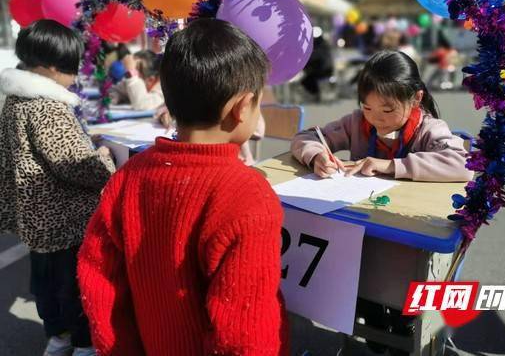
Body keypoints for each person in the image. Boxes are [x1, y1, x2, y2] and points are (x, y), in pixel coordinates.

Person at [78, 18, 288, 356]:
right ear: (242, 107)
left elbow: (99, 281)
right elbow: (245, 333)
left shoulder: (129, 176)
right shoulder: (250, 197)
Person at [0, 20, 115, 356]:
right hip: (63, 219)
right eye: (71, 67)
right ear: (51, 68)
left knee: (46, 286)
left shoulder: (15, 100)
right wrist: (105, 160)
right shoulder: (47, 105)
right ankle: (82, 344)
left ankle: (57, 337)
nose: (75, 75)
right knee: (74, 287)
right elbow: (75, 164)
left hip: (35, 217)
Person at [291, 51, 473, 182]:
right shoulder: (356, 123)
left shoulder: (428, 129)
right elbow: (305, 137)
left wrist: (389, 165)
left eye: (387, 110)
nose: (376, 119)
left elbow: (464, 165)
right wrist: (317, 156)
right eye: (367, 107)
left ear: (416, 98)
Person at [300, 35, 335, 102]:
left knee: (306, 80)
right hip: (328, 71)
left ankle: (316, 94)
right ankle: (316, 94)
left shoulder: (320, 48)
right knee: (309, 78)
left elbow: (314, 58)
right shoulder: (325, 47)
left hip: (323, 72)